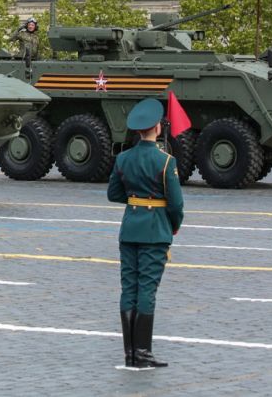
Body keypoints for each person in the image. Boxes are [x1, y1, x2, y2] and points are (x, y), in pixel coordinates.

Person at [107, 98, 184, 369]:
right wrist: (172, 225)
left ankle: (130, 354)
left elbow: (113, 194)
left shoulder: (123, 158)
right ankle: (142, 353)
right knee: (147, 290)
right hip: (155, 231)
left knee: (129, 287)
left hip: (129, 230)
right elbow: (176, 204)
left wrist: (136, 201)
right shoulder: (166, 161)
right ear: (156, 128)